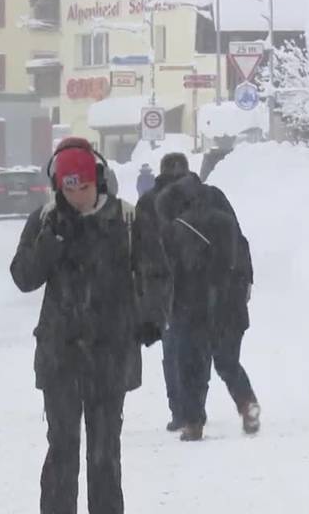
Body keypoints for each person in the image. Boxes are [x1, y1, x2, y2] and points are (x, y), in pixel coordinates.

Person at [10, 137, 158, 514]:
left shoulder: (126, 219)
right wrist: (52, 240)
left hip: (111, 356)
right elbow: (24, 276)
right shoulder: (45, 220)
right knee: (62, 449)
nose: (78, 196)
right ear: (58, 185)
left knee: (104, 454)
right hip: (60, 357)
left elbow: (155, 272)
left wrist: (152, 316)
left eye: (85, 186)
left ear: (99, 179)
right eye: (69, 187)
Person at [153, 153, 260, 441]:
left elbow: (167, 266)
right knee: (226, 360)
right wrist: (245, 281)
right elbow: (242, 243)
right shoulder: (217, 200)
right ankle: (246, 403)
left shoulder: (171, 217)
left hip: (192, 301)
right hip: (229, 297)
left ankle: (193, 423)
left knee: (191, 362)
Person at [131, 153, 187, 433]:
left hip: (160, 284)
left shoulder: (148, 202)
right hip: (195, 281)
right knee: (193, 348)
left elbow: (137, 246)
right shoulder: (200, 196)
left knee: (173, 348)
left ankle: (180, 410)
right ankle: (193, 407)